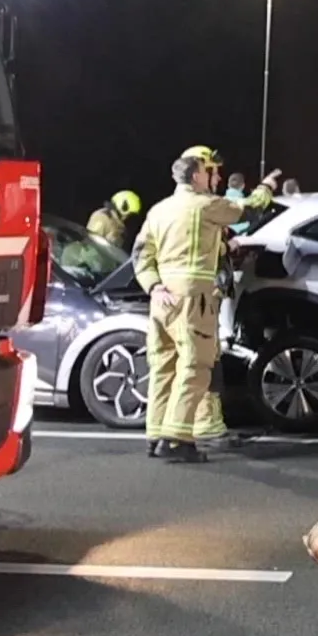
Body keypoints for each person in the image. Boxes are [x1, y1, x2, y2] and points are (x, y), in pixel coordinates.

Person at [132, 146, 276, 463]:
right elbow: (248, 210)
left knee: (163, 366)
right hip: (193, 297)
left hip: (162, 299)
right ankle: (177, 439)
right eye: (212, 171)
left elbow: (141, 255)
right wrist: (266, 187)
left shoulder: (158, 210)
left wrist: (153, 286)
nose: (218, 177)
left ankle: (156, 435)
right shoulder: (205, 206)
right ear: (197, 173)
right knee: (195, 367)